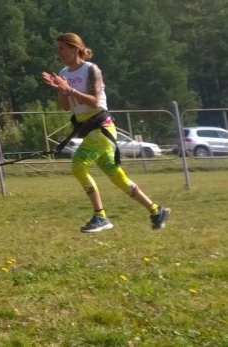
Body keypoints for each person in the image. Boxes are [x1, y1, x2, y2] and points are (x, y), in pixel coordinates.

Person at [41, 32, 170, 233]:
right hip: (87, 129)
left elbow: (94, 101)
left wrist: (70, 89)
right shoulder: (64, 72)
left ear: (75, 48)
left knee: (78, 166)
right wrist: (60, 88)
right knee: (117, 176)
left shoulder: (91, 70)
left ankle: (100, 216)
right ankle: (156, 210)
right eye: (57, 49)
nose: (59, 53)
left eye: (62, 48)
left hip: (101, 128)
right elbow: (66, 107)